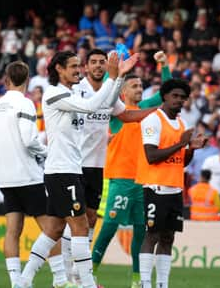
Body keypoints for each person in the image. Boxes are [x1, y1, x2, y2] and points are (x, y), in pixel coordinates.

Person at [18, 50, 137, 288]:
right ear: (59, 69)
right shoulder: (55, 94)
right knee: (81, 226)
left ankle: (23, 282)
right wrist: (113, 78)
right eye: (72, 66)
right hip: (64, 171)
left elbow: (102, 102)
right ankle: (86, 283)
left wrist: (119, 77)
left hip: (65, 170)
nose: (78, 70)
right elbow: (93, 105)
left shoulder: (68, 93)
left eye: (77, 66)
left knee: (53, 229)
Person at [63, 49, 155, 284]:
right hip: (74, 163)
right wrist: (117, 79)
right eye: (93, 62)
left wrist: (158, 112)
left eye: (101, 62)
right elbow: (95, 105)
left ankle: (77, 273)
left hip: (97, 166)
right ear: (86, 67)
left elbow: (127, 116)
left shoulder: (110, 95)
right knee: (72, 221)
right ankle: (67, 273)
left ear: (106, 66)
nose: (97, 66)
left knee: (91, 219)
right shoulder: (77, 90)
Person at [0, 61, 80, 288]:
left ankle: (16, 282)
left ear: (6, 79)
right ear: (27, 79)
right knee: (51, 229)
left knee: (13, 231)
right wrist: (48, 153)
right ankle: (60, 280)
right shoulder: (26, 103)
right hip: (28, 175)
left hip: (5, 176)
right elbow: (29, 139)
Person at [92, 51, 172, 288]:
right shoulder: (116, 112)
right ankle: (89, 274)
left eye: (141, 85)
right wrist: (117, 71)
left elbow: (165, 93)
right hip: (119, 179)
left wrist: (164, 65)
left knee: (141, 231)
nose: (140, 89)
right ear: (124, 91)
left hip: (142, 181)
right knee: (109, 226)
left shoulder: (145, 107)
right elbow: (108, 93)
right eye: (135, 85)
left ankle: (138, 279)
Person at [136, 79, 208, 288]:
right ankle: (145, 283)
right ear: (165, 96)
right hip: (155, 186)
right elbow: (151, 156)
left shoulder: (183, 124)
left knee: (168, 237)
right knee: (152, 235)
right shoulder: (153, 120)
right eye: (175, 96)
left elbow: (182, 161)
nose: (179, 100)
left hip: (175, 187)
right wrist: (181, 144)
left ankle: (162, 284)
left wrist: (192, 148)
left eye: (182, 97)